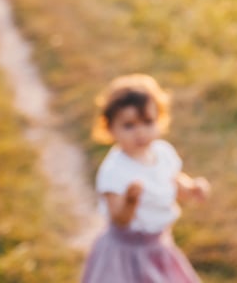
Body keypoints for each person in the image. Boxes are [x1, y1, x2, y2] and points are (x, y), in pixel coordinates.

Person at [81, 73, 210, 283]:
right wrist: (130, 202)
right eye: (129, 125)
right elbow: (119, 219)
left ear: (160, 119)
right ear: (110, 128)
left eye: (148, 122)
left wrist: (192, 188)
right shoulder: (114, 170)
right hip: (124, 252)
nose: (140, 132)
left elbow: (174, 182)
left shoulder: (163, 153)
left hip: (159, 245)